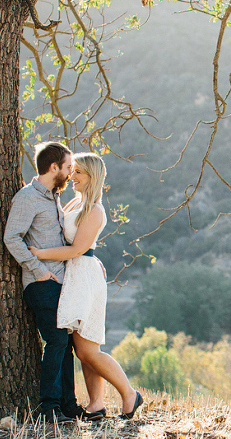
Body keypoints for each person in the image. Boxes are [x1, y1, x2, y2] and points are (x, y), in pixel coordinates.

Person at [28, 153, 144, 421]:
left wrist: (38, 254)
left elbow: (79, 248)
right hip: (74, 275)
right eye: (73, 170)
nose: (72, 176)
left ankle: (129, 394)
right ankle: (96, 404)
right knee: (81, 347)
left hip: (83, 278)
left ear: (92, 177)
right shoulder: (74, 203)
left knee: (87, 349)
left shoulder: (95, 210)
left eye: (78, 172)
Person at [4, 141, 82, 425]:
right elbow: (11, 237)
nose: (70, 172)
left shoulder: (52, 197)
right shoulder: (27, 198)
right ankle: (49, 408)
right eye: (68, 167)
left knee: (66, 343)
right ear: (54, 167)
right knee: (56, 340)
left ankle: (69, 405)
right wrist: (37, 270)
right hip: (42, 283)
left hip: (60, 282)